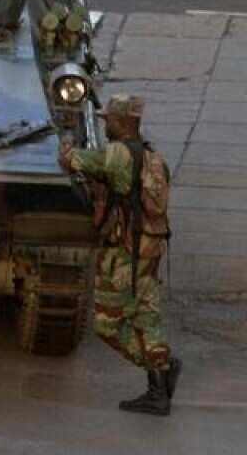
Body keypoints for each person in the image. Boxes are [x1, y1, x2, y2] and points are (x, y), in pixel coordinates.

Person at [59, 94, 181, 416]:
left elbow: (72, 161)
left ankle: (162, 367)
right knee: (146, 319)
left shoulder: (117, 155)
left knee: (107, 324)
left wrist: (67, 142)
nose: (105, 125)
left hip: (125, 254)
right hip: (150, 250)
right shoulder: (154, 158)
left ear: (122, 122)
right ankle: (158, 391)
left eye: (109, 120)